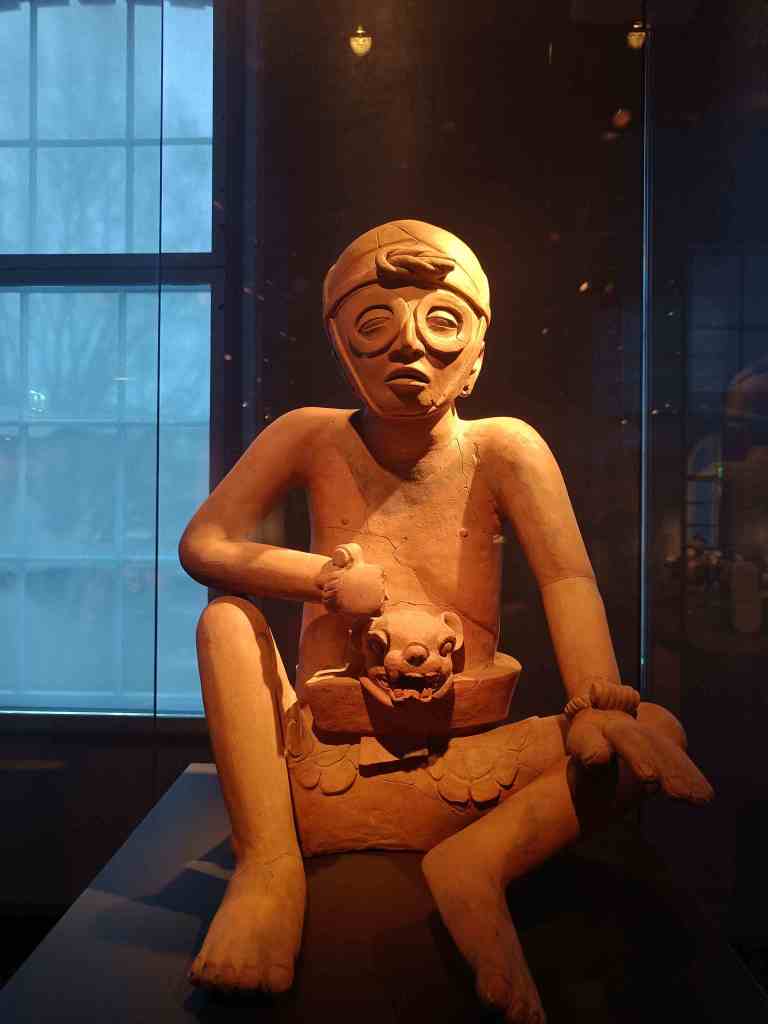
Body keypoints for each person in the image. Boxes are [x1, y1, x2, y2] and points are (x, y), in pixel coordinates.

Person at [179, 220, 712, 1024]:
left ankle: (476, 867)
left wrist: (596, 700)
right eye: (375, 324)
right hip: (319, 763)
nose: (410, 347)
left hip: (465, 764)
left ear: (478, 354)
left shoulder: (504, 448)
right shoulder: (308, 436)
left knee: (652, 732)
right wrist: (325, 580)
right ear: (342, 348)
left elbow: (567, 578)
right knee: (225, 622)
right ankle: (269, 866)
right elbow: (204, 543)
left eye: (441, 322)